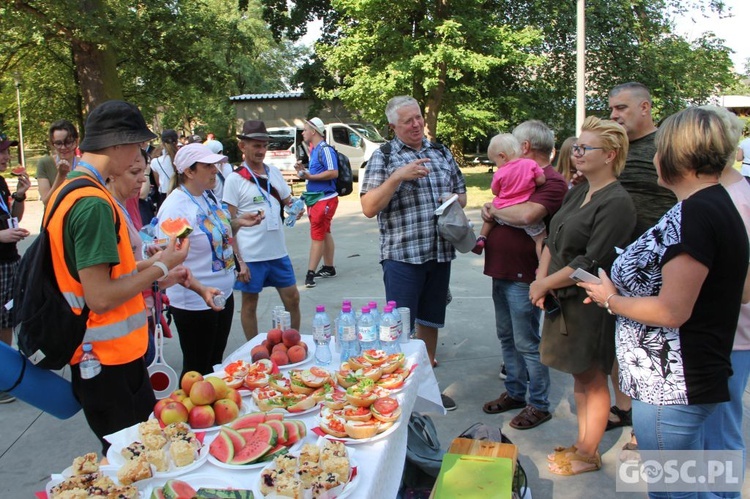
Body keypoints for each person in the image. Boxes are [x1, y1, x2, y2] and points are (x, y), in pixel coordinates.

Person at [581, 107, 748, 498]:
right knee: (699, 480)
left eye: (658, 149)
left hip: (672, 385)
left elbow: (672, 311)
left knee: (674, 490)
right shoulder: (713, 203)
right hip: (686, 375)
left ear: (677, 155)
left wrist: (611, 300)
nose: (653, 157)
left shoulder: (698, 213)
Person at [46, 100, 189, 453]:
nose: (139, 156)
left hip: (111, 358)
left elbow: (107, 275)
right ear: (118, 145)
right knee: (136, 463)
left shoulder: (72, 191)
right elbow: (100, 296)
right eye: (137, 147)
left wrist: (158, 266)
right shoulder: (93, 203)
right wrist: (161, 267)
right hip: (107, 362)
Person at [530, 117, 636, 475]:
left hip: (590, 304)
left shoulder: (617, 202)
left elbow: (588, 262)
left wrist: (545, 284)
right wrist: (540, 278)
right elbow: (553, 237)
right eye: (575, 147)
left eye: (584, 148)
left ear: (610, 154)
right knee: (580, 376)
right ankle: (581, 444)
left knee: (592, 376)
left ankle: (588, 454)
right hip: (563, 298)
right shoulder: (579, 189)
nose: (576, 153)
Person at [360, 95, 467, 411]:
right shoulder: (385, 156)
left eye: (418, 117)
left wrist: (453, 198)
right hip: (402, 256)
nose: (417, 124)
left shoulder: (440, 152)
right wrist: (397, 177)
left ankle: (426, 388)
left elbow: (461, 193)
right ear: (393, 126)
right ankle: (396, 393)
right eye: (408, 121)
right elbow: (368, 207)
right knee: (398, 327)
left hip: (438, 252)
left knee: (430, 321)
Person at [480, 120, 567, 428]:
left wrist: (494, 209)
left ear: (525, 147)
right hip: (501, 270)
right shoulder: (517, 177)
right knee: (507, 337)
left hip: (525, 276)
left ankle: (539, 403)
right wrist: (495, 210)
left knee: (527, 342)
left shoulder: (552, 182)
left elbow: (528, 214)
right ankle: (516, 392)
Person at [605, 82, 676, 435]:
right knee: (623, 340)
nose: (615, 115)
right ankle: (623, 408)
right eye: (612, 109)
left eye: (622, 108)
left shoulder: (667, 145)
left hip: (660, 261)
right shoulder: (613, 148)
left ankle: (648, 422)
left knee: (653, 347)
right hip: (619, 257)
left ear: (645, 107)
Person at [157, 143, 247, 376]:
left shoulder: (207, 196)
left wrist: (238, 223)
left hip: (222, 295)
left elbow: (215, 236)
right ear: (189, 171)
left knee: (214, 363)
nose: (215, 170)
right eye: (208, 165)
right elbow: (170, 256)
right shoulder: (178, 207)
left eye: (215, 164)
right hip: (195, 303)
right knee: (197, 369)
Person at [700, 105, 750, 498]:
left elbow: (744, 287)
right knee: (699, 436)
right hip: (708, 335)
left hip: (728, 338)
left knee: (720, 431)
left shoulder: (736, 199)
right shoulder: (711, 196)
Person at [223, 120, 302, 340]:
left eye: (264, 145)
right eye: (255, 145)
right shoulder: (234, 179)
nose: (261, 150)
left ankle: (292, 343)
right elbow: (228, 226)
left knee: (293, 298)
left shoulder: (274, 173)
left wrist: (296, 208)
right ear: (243, 147)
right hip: (251, 255)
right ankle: (254, 348)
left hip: (278, 252)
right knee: (249, 305)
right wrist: (239, 260)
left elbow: (288, 201)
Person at [472, 133, 546, 258]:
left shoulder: (500, 173)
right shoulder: (530, 164)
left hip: (503, 209)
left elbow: (495, 191)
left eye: (495, 162)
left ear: (502, 156)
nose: (497, 165)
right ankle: (541, 265)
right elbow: (541, 180)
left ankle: (481, 238)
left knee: (491, 213)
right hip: (521, 208)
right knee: (541, 239)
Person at [0, 131, 31, 404]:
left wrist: (20, 196)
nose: (6, 157)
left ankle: (5, 376)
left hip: (10, 260)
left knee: (8, 318)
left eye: (6, 151)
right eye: (0, 152)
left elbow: (12, 216)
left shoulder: (0, 182)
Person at [296, 117, 339, 288]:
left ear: (313, 131)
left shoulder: (325, 150)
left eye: (305, 130)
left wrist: (311, 176)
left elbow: (333, 172)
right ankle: (328, 267)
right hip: (317, 198)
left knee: (317, 234)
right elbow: (315, 174)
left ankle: (310, 274)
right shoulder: (315, 150)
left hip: (325, 199)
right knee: (324, 231)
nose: (303, 133)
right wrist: (303, 172)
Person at [36, 120, 79, 205]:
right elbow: (47, 202)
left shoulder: (84, 164)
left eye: (68, 142)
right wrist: (61, 175)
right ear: (52, 144)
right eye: (58, 143)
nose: (63, 147)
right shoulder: (45, 163)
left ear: (76, 142)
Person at [151, 129, 178, 208]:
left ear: (162, 143)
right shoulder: (181, 158)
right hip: (182, 193)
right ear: (176, 142)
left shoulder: (156, 162)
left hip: (164, 195)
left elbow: (158, 182)